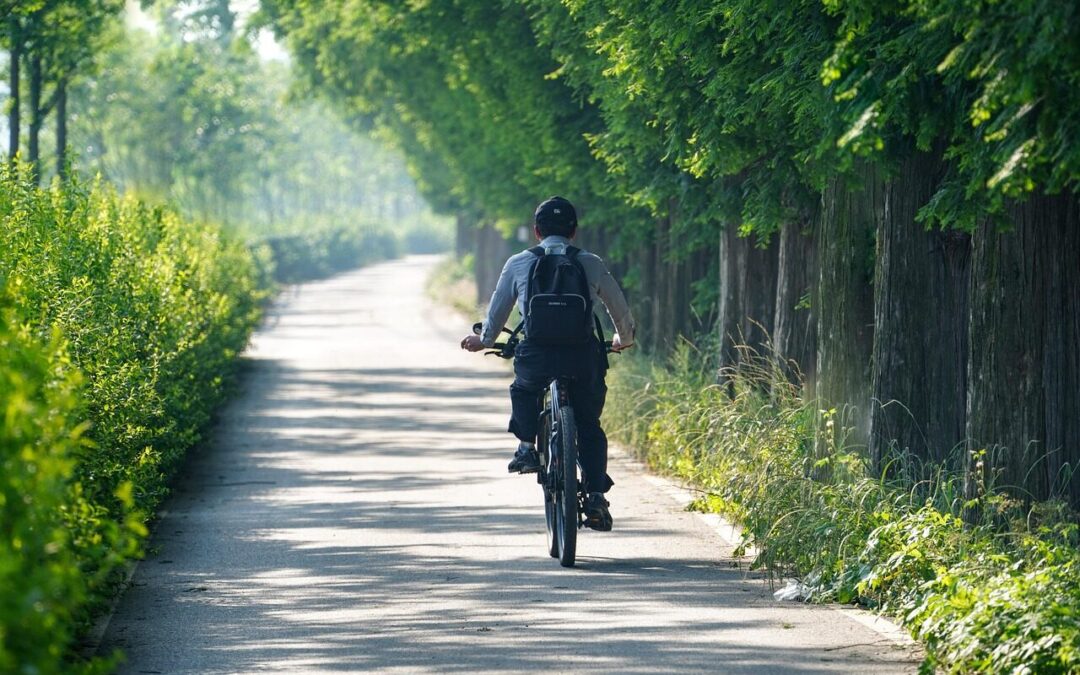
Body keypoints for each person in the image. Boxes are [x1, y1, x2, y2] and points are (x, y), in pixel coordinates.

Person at [459, 196, 635, 531]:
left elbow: (497, 312)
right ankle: (595, 494)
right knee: (589, 424)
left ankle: (526, 447)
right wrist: (622, 339)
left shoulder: (518, 262)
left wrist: (484, 339)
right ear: (574, 231)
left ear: (537, 231)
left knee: (524, 388)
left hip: (537, 355)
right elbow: (618, 307)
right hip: (582, 357)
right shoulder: (591, 262)